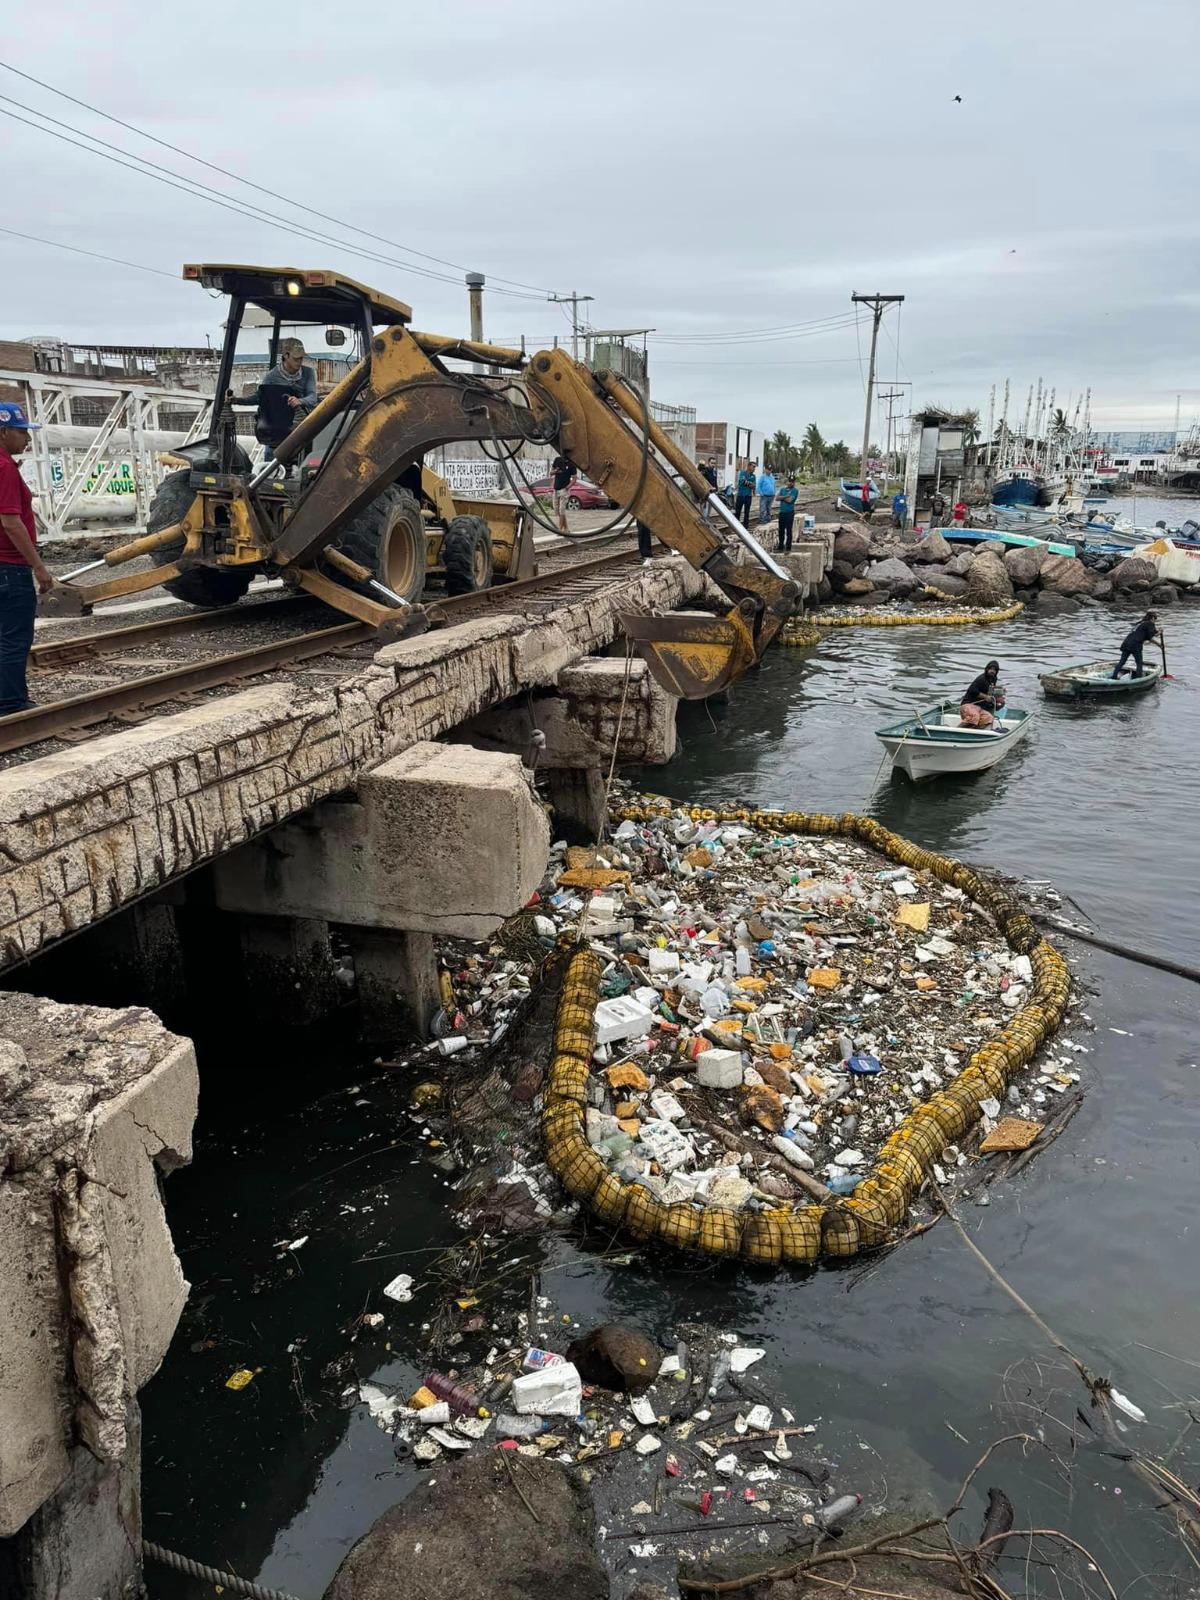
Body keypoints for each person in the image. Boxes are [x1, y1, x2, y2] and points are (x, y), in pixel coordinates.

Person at [0, 403, 58, 717]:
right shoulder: (5, 467)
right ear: (4, 431)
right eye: (22, 431)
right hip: (10, 568)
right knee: (13, 637)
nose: (27, 438)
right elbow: (10, 521)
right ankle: (10, 704)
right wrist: (39, 567)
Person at [232, 338, 317, 461]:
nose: (299, 362)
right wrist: (237, 400)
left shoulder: (308, 373)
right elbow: (259, 398)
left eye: (301, 358)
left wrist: (300, 401)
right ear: (285, 356)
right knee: (271, 463)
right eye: (296, 358)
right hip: (277, 430)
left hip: (300, 428)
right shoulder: (272, 377)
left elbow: (312, 397)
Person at [1112, 611, 1161, 679]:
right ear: (1152, 618)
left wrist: (1159, 645)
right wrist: (1160, 632)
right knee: (1139, 663)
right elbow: (1153, 634)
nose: (1155, 622)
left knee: (1122, 662)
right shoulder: (1149, 623)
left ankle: (1113, 676)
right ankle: (1139, 679)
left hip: (1126, 643)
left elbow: (1148, 637)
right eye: (1155, 619)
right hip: (1135, 646)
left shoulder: (1140, 623)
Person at [960, 659, 1001, 728]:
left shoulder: (994, 679)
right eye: (990, 669)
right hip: (969, 704)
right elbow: (972, 690)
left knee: (988, 718)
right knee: (974, 716)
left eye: (994, 670)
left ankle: (974, 732)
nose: (992, 671)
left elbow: (990, 688)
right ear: (987, 669)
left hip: (979, 707)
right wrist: (985, 697)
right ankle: (957, 730)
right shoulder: (981, 679)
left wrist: (1000, 689)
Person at [550, 453, 577, 533]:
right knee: (557, 510)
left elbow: (574, 479)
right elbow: (551, 473)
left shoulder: (572, 464)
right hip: (556, 489)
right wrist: (556, 471)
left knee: (562, 510)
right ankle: (566, 529)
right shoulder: (557, 460)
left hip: (564, 490)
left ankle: (560, 530)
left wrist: (568, 487)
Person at [776, 475, 798, 551]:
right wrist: (785, 496)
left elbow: (790, 500)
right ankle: (780, 545)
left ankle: (788, 547)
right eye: (789, 481)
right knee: (781, 530)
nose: (790, 483)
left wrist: (782, 497)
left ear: (794, 482)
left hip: (789, 512)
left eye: (792, 482)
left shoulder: (795, 490)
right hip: (782, 512)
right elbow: (776, 498)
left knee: (789, 530)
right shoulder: (782, 489)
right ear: (787, 481)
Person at [734, 460, 756, 526]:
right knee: (738, 511)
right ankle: (736, 525)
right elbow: (743, 481)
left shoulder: (753, 476)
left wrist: (749, 484)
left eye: (755, 467)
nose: (754, 469)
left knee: (747, 512)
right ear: (749, 466)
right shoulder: (742, 473)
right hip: (741, 495)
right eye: (753, 467)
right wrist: (750, 484)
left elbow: (754, 486)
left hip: (748, 496)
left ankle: (745, 526)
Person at [698, 455, 719, 521]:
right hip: (705, 494)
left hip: (712, 494)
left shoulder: (714, 472)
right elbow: (699, 474)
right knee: (705, 510)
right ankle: (704, 521)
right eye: (712, 463)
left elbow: (715, 482)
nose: (713, 465)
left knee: (709, 511)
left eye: (714, 463)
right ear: (708, 463)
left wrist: (716, 489)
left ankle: (706, 521)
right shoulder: (705, 471)